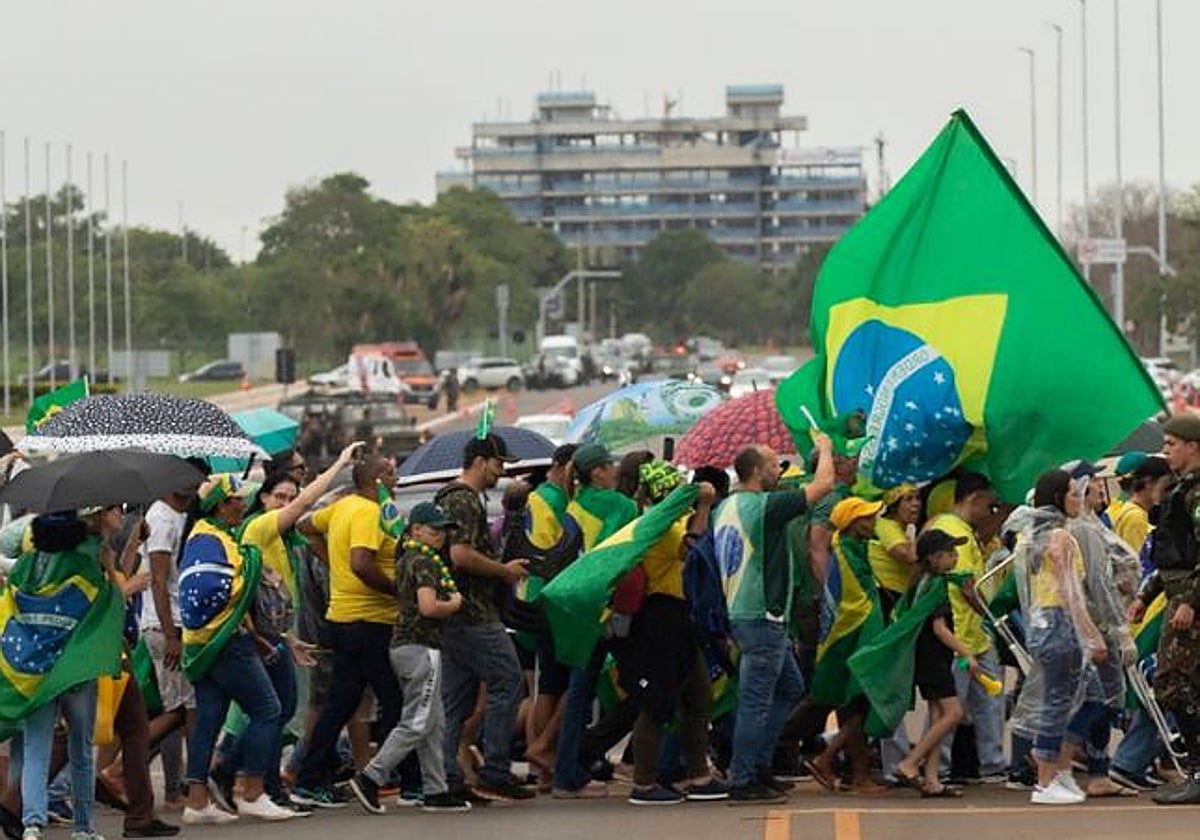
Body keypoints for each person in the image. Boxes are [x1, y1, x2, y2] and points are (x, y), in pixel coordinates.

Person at [208, 442, 361, 811]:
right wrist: (338, 463)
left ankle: (254, 782)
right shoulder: (260, 528)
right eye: (278, 496)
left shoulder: (286, 539)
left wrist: (289, 638)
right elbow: (306, 505)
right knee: (272, 711)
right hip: (257, 638)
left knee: (279, 711)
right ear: (262, 500)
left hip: (275, 635)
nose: (284, 502)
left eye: (288, 497)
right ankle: (240, 779)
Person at [714, 436, 833, 804]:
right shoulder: (763, 506)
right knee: (756, 701)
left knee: (789, 688)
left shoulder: (728, 505)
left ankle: (759, 766)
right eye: (771, 465)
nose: (777, 470)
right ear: (754, 471)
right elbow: (824, 485)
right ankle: (743, 777)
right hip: (761, 614)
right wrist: (825, 448)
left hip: (743, 612)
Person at [179, 474, 300, 824]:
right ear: (220, 503)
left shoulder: (207, 536)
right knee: (268, 710)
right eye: (236, 500)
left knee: (209, 718)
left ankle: (198, 803)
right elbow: (220, 592)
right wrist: (250, 561)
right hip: (226, 641)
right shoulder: (210, 539)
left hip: (205, 643)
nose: (242, 505)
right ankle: (253, 792)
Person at [7, 508, 130, 840]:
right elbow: (111, 606)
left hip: (36, 670)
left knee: (36, 747)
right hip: (76, 669)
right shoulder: (87, 565)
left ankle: (32, 824)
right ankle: (84, 826)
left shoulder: (25, 566)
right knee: (81, 749)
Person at [291, 453, 404, 808]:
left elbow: (304, 527)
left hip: (343, 619)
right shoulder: (369, 513)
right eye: (390, 472)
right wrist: (396, 590)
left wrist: (330, 561)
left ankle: (309, 779)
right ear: (377, 480)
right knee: (395, 701)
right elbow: (361, 563)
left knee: (341, 703)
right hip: (368, 621)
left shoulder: (344, 507)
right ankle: (393, 777)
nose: (396, 476)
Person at [347, 502, 471, 814]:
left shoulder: (408, 558)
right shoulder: (425, 562)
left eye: (443, 530)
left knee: (433, 722)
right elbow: (429, 607)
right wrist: (454, 603)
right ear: (416, 530)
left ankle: (436, 790)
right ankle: (371, 777)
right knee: (417, 721)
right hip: (420, 646)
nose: (440, 536)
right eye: (434, 529)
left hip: (404, 646)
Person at [435, 434, 533, 802]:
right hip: (471, 612)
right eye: (498, 463)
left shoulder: (459, 499)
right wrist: (502, 570)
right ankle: (494, 768)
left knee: (454, 702)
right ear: (479, 461)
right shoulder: (461, 501)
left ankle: (447, 779)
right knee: (508, 680)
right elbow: (460, 554)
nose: (501, 471)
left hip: (456, 614)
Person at [622, 462, 725, 805]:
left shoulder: (665, 520)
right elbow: (691, 546)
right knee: (657, 704)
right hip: (660, 618)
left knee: (699, 697)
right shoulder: (659, 525)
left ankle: (699, 776)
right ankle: (644, 784)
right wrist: (705, 506)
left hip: (680, 617)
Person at [1007, 469, 1107, 806]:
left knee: (1085, 696)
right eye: (1074, 494)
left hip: (1044, 623)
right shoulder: (1060, 538)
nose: (1079, 500)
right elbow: (1070, 591)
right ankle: (1045, 779)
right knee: (1057, 702)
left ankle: (1057, 767)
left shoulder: (1036, 536)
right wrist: (1091, 633)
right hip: (1060, 621)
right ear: (1057, 499)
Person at [552, 443, 639, 798]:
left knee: (579, 692)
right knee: (647, 684)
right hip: (606, 609)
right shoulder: (618, 505)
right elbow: (619, 553)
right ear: (596, 472)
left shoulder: (573, 504)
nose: (614, 469)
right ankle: (570, 774)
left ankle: (572, 768)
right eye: (608, 465)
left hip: (577, 606)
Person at [868, 529, 975, 799]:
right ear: (934, 557)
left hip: (925, 657)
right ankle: (909, 763)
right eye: (950, 553)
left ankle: (932, 779)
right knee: (953, 713)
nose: (955, 557)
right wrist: (967, 653)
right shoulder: (936, 586)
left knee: (939, 716)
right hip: (933, 660)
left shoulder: (922, 582)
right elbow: (940, 629)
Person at [1129, 414, 1200, 804]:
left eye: (1172, 443)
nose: (1166, 450)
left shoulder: (1197, 493)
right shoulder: (1181, 490)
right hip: (1177, 598)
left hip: (1190, 605)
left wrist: (1190, 601)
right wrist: (1146, 595)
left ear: (1193, 446)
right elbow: (1171, 556)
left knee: (1170, 684)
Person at [925, 472, 1008, 783]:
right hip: (957, 636)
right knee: (951, 704)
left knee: (990, 700)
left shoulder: (965, 530)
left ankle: (993, 764)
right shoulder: (949, 529)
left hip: (976, 636)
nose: (991, 513)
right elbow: (964, 585)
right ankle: (940, 767)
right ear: (974, 499)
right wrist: (990, 615)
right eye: (990, 506)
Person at [805, 496, 888, 796]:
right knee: (860, 708)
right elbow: (860, 605)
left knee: (857, 708)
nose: (873, 521)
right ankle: (825, 759)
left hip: (855, 641)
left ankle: (860, 775)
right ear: (853, 524)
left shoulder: (854, 546)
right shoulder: (847, 554)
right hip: (854, 640)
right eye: (867, 518)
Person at [137, 485, 200, 808]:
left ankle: (187, 786)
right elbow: (158, 580)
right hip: (165, 626)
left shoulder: (178, 514)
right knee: (180, 709)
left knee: (184, 707)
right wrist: (171, 634)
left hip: (176, 621)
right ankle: (122, 769)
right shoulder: (161, 518)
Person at [869, 484, 921, 617]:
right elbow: (907, 555)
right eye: (908, 499)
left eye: (918, 498)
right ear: (893, 506)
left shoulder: (902, 531)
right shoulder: (886, 526)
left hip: (895, 596)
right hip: (885, 598)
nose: (916, 504)